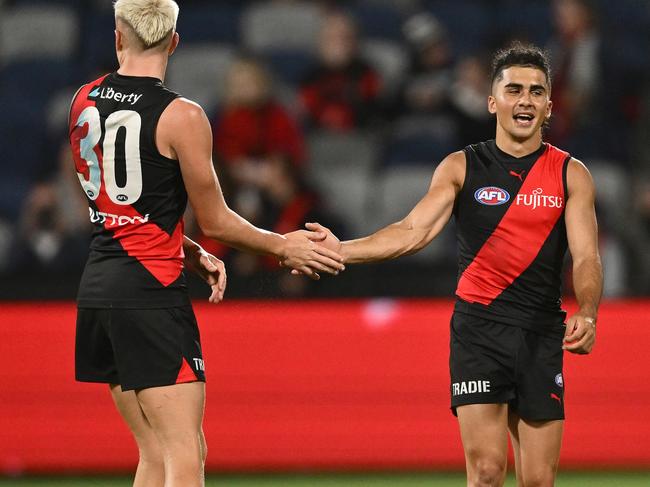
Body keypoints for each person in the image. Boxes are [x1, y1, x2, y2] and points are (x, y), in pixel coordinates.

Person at [67, 1, 344, 487]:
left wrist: (186, 248)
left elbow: (114, 205)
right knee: (184, 451)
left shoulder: (82, 100)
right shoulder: (183, 116)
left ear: (117, 38)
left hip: (98, 289)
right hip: (150, 294)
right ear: (174, 42)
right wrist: (283, 246)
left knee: (152, 452)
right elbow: (216, 218)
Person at [307, 42, 603, 486]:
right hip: (479, 330)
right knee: (485, 473)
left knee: (538, 480)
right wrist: (340, 250)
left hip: (542, 333)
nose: (525, 99)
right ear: (492, 101)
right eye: (514, 89)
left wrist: (590, 310)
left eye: (536, 92)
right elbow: (413, 232)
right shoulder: (462, 166)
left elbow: (587, 257)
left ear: (548, 106)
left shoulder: (570, 173)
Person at [298, 11, 382, 132]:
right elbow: (308, 109)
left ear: (355, 42)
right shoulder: (309, 76)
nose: (338, 44)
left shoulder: (367, 73)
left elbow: (371, 109)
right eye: (331, 38)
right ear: (320, 43)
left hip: (358, 135)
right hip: (319, 137)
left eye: (344, 38)